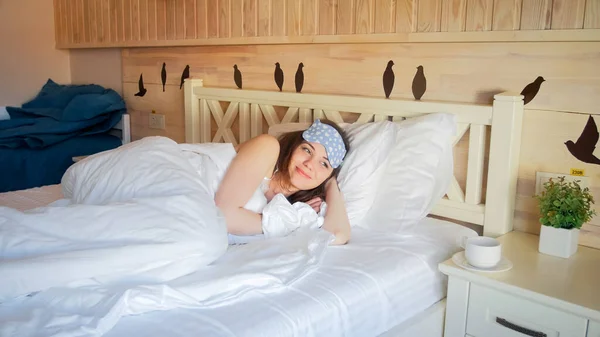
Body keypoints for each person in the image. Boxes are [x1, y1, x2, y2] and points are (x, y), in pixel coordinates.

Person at [214, 119, 352, 245]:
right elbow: (222, 216)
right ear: (294, 146)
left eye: (324, 164)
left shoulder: (294, 207)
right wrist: (288, 223)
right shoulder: (267, 146)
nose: (309, 164)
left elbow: (336, 235)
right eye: (307, 150)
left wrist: (330, 184)